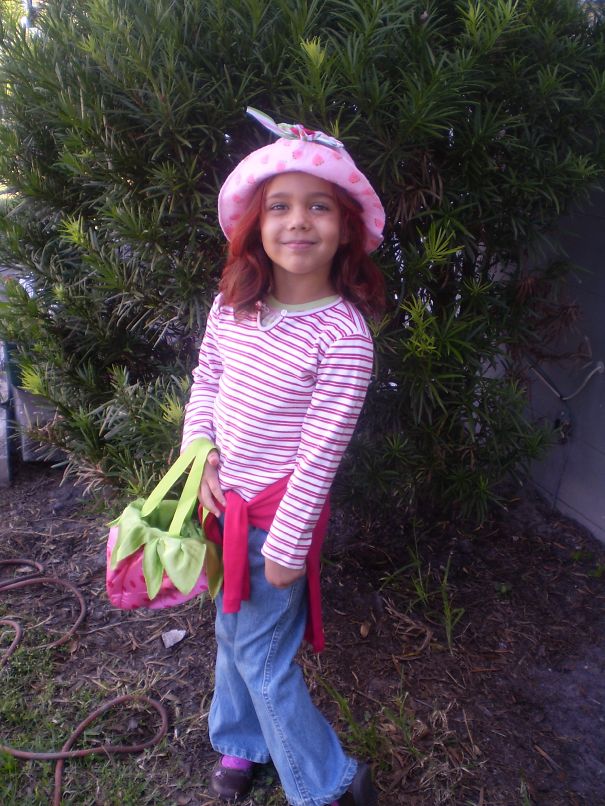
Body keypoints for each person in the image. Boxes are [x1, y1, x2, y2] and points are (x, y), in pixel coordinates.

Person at [181, 108, 386, 806]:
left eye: (318, 206)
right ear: (255, 224)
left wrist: (290, 543)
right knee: (228, 633)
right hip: (221, 508)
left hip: (275, 523)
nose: (298, 222)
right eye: (280, 207)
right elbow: (207, 381)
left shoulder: (343, 339)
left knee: (262, 658)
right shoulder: (234, 305)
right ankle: (241, 743)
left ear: (345, 227)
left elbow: (320, 454)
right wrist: (199, 452)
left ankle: (327, 782)